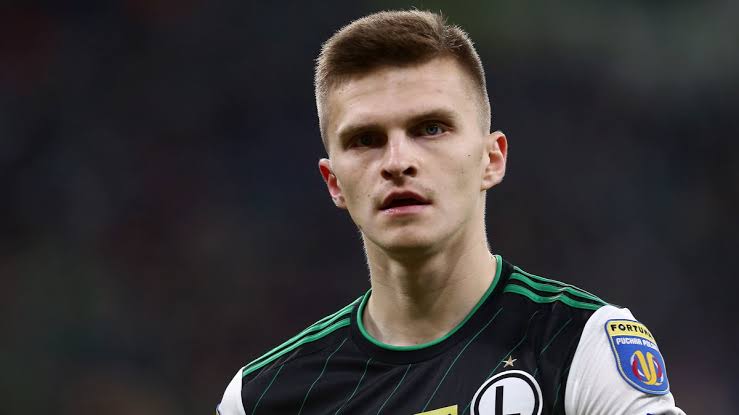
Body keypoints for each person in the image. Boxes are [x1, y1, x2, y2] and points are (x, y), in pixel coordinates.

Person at [217, 10, 685, 415]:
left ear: (491, 159)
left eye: (430, 128)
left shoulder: (579, 346)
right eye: (365, 139)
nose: (397, 161)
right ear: (334, 182)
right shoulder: (262, 398)